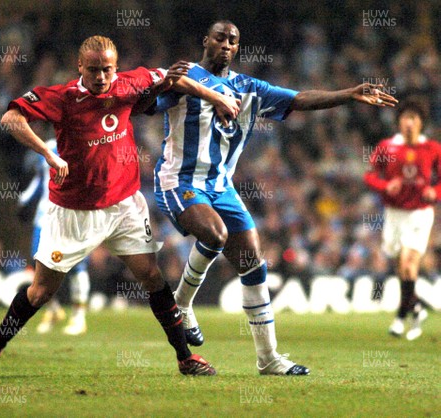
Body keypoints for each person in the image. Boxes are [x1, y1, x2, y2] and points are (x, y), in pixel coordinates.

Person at [0, 35, 241, 377]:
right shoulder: (62, 97)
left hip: (124, 204)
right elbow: (11, 118)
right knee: (40, 292)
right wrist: (48, 153)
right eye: (94, 70)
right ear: (80, 67)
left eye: (107, 70)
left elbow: (173, 78)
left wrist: (215, 96)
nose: (101, 77)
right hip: (73, 210)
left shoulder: (129, 83)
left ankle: (185, 358)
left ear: (116, 66)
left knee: (152, 276)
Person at [150, 20, 397, 375]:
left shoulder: (249, 88)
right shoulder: (185, 76)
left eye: (233, 41)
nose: (225, 44)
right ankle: (183, 305)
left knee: (253, 264)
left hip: (221, 186)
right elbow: (149, 102)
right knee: (216, 235)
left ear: (237, 48)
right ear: (206, 40)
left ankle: (268, 359)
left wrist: (348, 94)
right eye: (219, 37)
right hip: (180, 180)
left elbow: (298, 99)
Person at [364, 97, 439, 341]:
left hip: (419, 212)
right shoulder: (387, 147)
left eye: (414, 118)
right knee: (402, 268)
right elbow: (370, 176)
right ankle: (416, 309)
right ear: (399, 122)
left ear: (421, 123)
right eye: (405, 118)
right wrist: (386, 185)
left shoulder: (432, 149)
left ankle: (400, 316)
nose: (409, 123)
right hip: (394, 213)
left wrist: (435, 192)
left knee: (409, 262)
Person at [18, 140, 90, 336]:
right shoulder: (46, 147)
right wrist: (23, 199)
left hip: (75, 216)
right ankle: (53, 310)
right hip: (45, 218)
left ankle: (78, 316)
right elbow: (40, 181)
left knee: (77, 266)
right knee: (39, 264)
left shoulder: (86, 143)